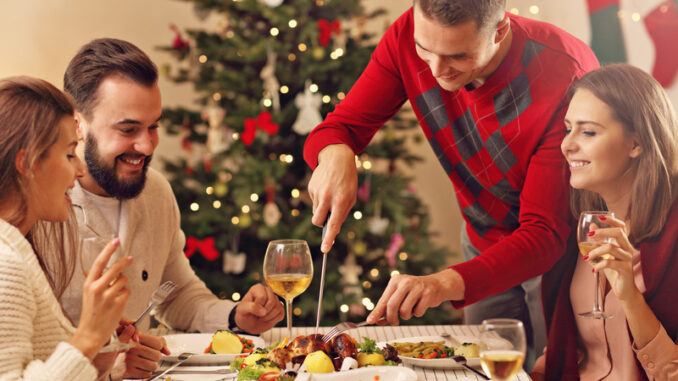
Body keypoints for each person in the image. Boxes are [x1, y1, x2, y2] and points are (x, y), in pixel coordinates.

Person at [303, 0, 599, 367]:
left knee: (552, 369)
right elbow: (340, 127)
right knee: (483, 369)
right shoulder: (407, 37)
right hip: (480, 236)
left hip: (558, 251)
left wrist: (442, 284)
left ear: (499, 31)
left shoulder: (565, 75)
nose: (436, 70)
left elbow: (544, 234)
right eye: (424, 50)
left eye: (457, 56)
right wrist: (336, 153)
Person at [58, 38, 284, 379]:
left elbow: (176, 294)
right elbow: (23, 348)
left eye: (153, 127)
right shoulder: (42, 205)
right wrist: (110, 363)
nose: (147, 146)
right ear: (78, 124)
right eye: (129, 129)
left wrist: (237, 316)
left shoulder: (155, 191)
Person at [531, 64, 678, 380]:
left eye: (588, 131)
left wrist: (629, 294)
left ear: (636, 144)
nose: (567, 145)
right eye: (568, 128)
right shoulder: (580, 226)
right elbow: (567, 347)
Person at [0, 76, 135, 380]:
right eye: (69, 154)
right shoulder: (5, 265)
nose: (80, 169)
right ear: (28, 163)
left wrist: (99, 344)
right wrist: (86, 338)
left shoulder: (16, 248)